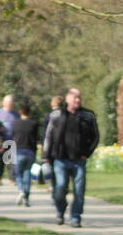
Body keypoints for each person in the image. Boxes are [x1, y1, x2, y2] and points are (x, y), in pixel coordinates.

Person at [42, 87, 100, 227]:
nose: (78, 100)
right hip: (60, 159)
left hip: (79, 160)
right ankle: (60, 211)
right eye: (75, 97)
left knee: (79, 190)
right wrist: (46, 155)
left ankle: (75, 217)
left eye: (79, 97)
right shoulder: (56, 115)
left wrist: (87, 153)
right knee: (60, 187)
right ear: (67, 99)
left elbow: (95, 137)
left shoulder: (88, 116)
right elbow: (48, 136)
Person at [11, 102, 39, 207]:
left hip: (18, 150)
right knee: (27, 174)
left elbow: (12, 136)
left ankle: (21, 190)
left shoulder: (15, 123)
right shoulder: (34, 123)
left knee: (18, 174)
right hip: (30, 151)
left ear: (20, 112)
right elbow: (36, 138)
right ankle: (26, 198)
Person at [0, 94, 19, 192]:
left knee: (11, 160)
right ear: (4, 103)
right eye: (9, 103)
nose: (11, 105)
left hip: (13, 140)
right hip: (1, 141)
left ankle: (12, 178)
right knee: (1, 160)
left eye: (12, 103)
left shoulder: (16, 114)